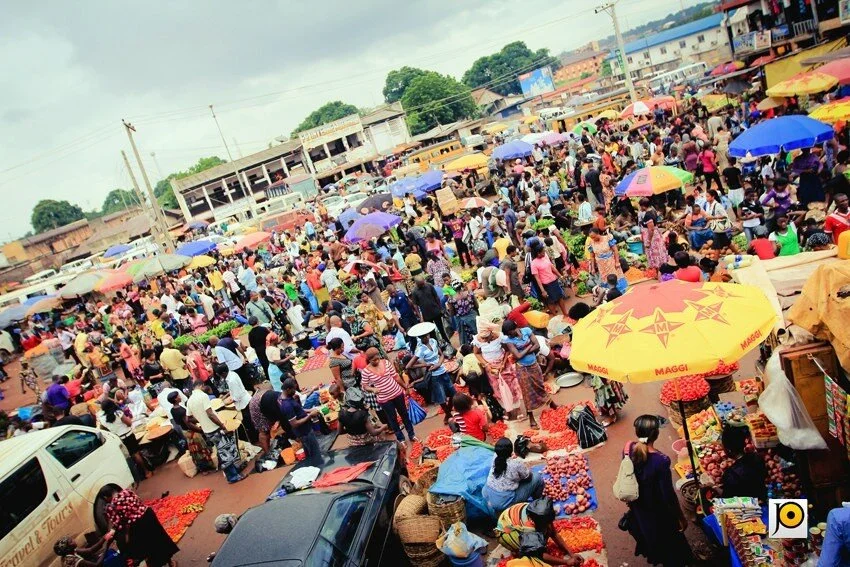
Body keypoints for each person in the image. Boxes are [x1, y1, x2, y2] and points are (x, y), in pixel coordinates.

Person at [625, 415, 692, 566]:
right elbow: (668, 496)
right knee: (671, 545)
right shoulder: (661, 460)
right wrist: (680, 517)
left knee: (653, 539)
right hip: (658, 511)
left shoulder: (628, 449)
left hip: (640, 508)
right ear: (656, 434)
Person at [98, 485, 179, 567]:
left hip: (138, 524)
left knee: (148, 546)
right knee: (160, 538)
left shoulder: (111, 506)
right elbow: (139, 501)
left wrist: (113, 532)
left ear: (105, 497)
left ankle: (156, 563)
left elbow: (119, 524)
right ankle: (170, 563)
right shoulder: (127, 492)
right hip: (148, 514)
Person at [187, 380, 245, 484]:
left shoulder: (190, 400)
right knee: (225, 452)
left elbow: (188, 419)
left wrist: (201, 419)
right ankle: (232, 477)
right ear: (201, 385)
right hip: (214, 429)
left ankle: (233, 472)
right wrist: (222, 426)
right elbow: (210, 414)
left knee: (222, 451)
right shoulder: (203, 396)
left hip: (207, 430)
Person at [494, 499, 580, 566]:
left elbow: (554, 533)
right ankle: (518, 550)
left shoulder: (538, 511)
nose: (549, 524)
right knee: (531, 557)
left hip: (511, 519)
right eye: (545, 523)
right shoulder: (529, 529)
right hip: (506, 531)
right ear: (536, 522)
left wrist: (571, 554)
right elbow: (540, 555)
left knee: (547, 530)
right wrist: (566, 562)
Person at [360, 347, 418, 444]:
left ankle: (412, 434)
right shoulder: (366, 371)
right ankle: (401, 439)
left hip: (397, 393)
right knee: (393, 419)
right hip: (384, 399)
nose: (376, 361)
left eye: (377, 358)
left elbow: (396, 376)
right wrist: (373, 389)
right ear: (369, 360)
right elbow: (364, 386)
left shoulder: (386, 363)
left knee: (404, 414)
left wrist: (405, 387)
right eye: (373, 360)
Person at [407, 322, 456, 422]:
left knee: (453, 393)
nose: (426, 338)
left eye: (427, 335)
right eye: (423, 337)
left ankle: (448, 412)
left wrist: (439, 363)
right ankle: (448, 414)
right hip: (434, 375)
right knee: (441, 398)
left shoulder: (433, 341)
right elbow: (409, 365)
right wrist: (426, 364)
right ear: (420, 338)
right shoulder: (420, 349)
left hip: (442, 370)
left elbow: (441, 355)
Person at [484, 438, 544, 513]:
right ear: (511, 451)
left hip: (488, 495)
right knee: (537, 478)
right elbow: (528, 477)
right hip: (502, 503)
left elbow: (504, 462)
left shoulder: (495, 457)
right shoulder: (515, 464)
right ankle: (538, 504)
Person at [97, 398, 151, 479]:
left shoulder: (102, 419)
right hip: (128, 435)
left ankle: (138, 475)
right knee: (136, 454)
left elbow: (103, 429)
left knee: (130, 457)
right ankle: (146, 472)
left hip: (119, 439)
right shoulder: (118, 413)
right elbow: (129, 423)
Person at [169, 390, 215, 473]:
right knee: (201, 450)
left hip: (185, 431)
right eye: (178, 396)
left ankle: (202, 468)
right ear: (175, 399)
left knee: (194, 451)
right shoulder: (181, 410)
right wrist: (201, 430)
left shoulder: (172, 410)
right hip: (192, 431)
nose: (180, 397)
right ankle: (206, 468)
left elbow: (181, 422)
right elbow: (189, 423)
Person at [717, 425, 766, 499]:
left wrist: (713, 487)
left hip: (747, 506)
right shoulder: (758, 458)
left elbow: (727, 496)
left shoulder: (731, 474)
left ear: (729, 450)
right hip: (761, 497)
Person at [280, 378, 323, 459]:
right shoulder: (287, 405)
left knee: (310, 454)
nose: (295, 391)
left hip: (306, 430)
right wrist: (310, 415)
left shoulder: (288, 397)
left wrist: (309, 410)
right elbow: (294, 423)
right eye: (294, 389)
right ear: (288, 389)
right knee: (315, 453)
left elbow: (298, 409)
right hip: (304, 432)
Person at [530, 244, 569, 318]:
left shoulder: (545, 258)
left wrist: (560, 276)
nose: (544, 252)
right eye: (543, 251)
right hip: (546, 285)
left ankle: (565, 314)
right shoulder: (534, 263)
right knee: (551, 301)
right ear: (538, 253)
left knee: (560, 297)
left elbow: (552, 268)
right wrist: (543, 290)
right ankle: (555, 317)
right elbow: (537, 278)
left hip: (554, 282)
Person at [410, 276, 450, 343]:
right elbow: (415, 305)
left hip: (436, 311)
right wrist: (420, 317)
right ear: (417, 284)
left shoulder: (429, 285)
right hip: (426, 315)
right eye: (421, 285)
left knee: (441, 329)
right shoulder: (414, 292)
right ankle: (437, 346)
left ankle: (447, 343)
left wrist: (440, 308)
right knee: (432, 333)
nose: (423, 285)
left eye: (423, 283)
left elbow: (436, 297)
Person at [586, 228, 626, 292]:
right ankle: (609, 293)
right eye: (591, 237)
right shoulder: (591, 243)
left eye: (594, 237)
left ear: (598, 233)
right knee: (605, 279)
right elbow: (592, 257)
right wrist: (593, 268)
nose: (593, 239)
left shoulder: (607, 238)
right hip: (601, 266)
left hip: (611, 263)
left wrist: (617, 262)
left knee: (615, 277)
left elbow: (615, 250)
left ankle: (619, 291)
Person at [638, 198, 668, 276]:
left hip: (652, 237)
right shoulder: (652, 211)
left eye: (641, 206)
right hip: (654, 235)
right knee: (658, 252)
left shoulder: (648, 215)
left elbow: (651, 229)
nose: (640, 208)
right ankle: (659, 270)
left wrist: (648, 241)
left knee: (655, 253)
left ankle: (658, 272)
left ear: (644, 206)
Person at [53, 533, 119, 567]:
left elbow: (90, 550)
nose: (74, 540)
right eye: (71, 542)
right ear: (68, 548)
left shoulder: (69, 552)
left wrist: (104, 537)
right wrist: (107, 546)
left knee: (109, 553)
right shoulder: (72, 561)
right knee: (114, 558)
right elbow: (96, 565)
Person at [447, 280, 478, 346]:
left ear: (453, 289)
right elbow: (477, 305)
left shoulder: (451, 299)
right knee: (476, 336)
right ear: (461, 286)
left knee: (465, 340)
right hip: (472, 319)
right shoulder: (469, 294)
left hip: (461, 322)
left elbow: (452, 313)